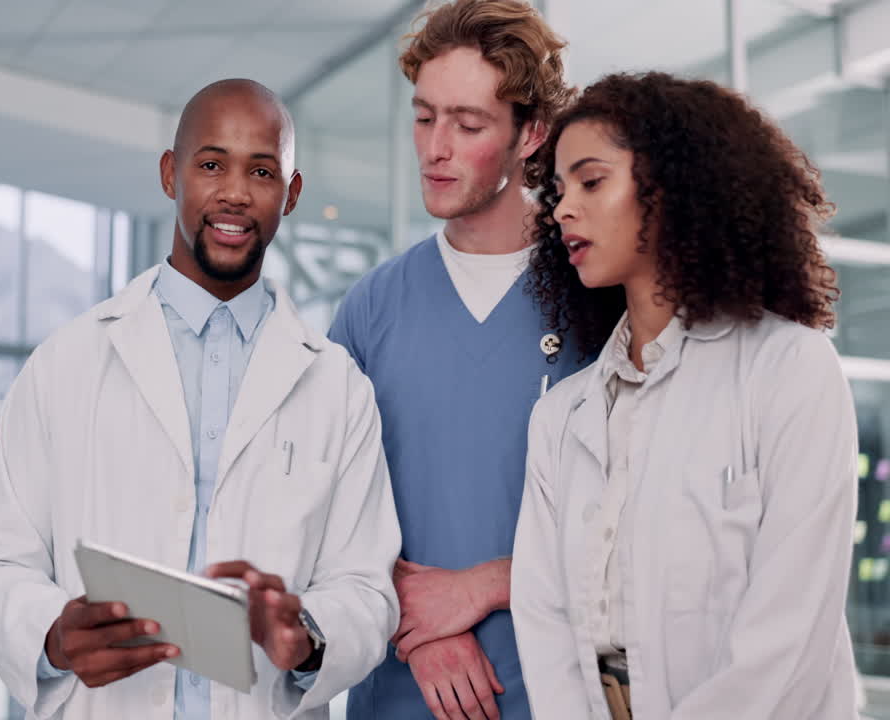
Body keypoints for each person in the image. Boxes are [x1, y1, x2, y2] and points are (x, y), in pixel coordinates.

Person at [0, 78, 400, 720]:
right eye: (211, 165)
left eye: (262, 171)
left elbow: (366, 589)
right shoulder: (65, 363)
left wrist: (306, 634)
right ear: (171, 174)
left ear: (292, 193)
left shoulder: (338, 387)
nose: (235, 193)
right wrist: (53, 635)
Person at [511, 71, 859, 719]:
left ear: (672, 189)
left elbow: (788, 637)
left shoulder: (790, 370)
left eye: (591, 182)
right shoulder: (562, 416)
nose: (562, 209)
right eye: (558, 190)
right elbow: (545, 621)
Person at [328, 2, 584, 718]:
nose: (436, 148)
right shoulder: (372, 308)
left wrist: (487, 584)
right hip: (396, 695)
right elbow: (321, 510)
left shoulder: (594, 298)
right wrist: (414, 630)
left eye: (468, 126)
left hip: (555, 694)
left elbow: (641, 529)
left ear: (530, 135)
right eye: (423, 117)